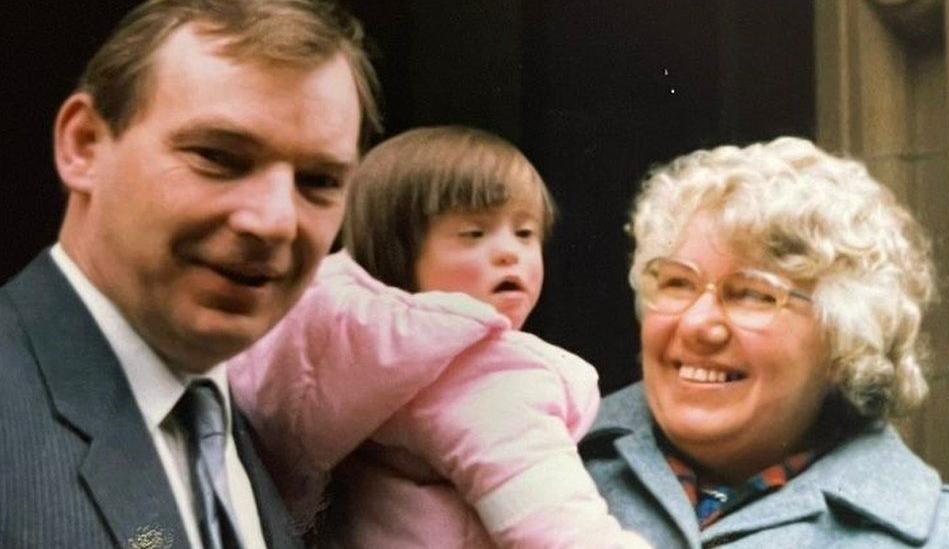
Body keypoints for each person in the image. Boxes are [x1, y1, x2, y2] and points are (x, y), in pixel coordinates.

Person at [0, 0, 380, 547]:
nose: (275, 221)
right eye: (218, 157)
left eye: (319, 182)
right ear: (83, 145)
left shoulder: (283, 448)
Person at [229, 126, 650, 548]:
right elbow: (562, 530)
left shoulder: (361, 370)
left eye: (524, 233)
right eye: (474, 233)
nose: (509, 252)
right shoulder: (485, 377)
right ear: (398, 255)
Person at [582, 136, 949, 547]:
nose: (697, 323)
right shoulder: (531, 463)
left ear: (846, 342)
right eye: (678, 283)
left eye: (753, 294)